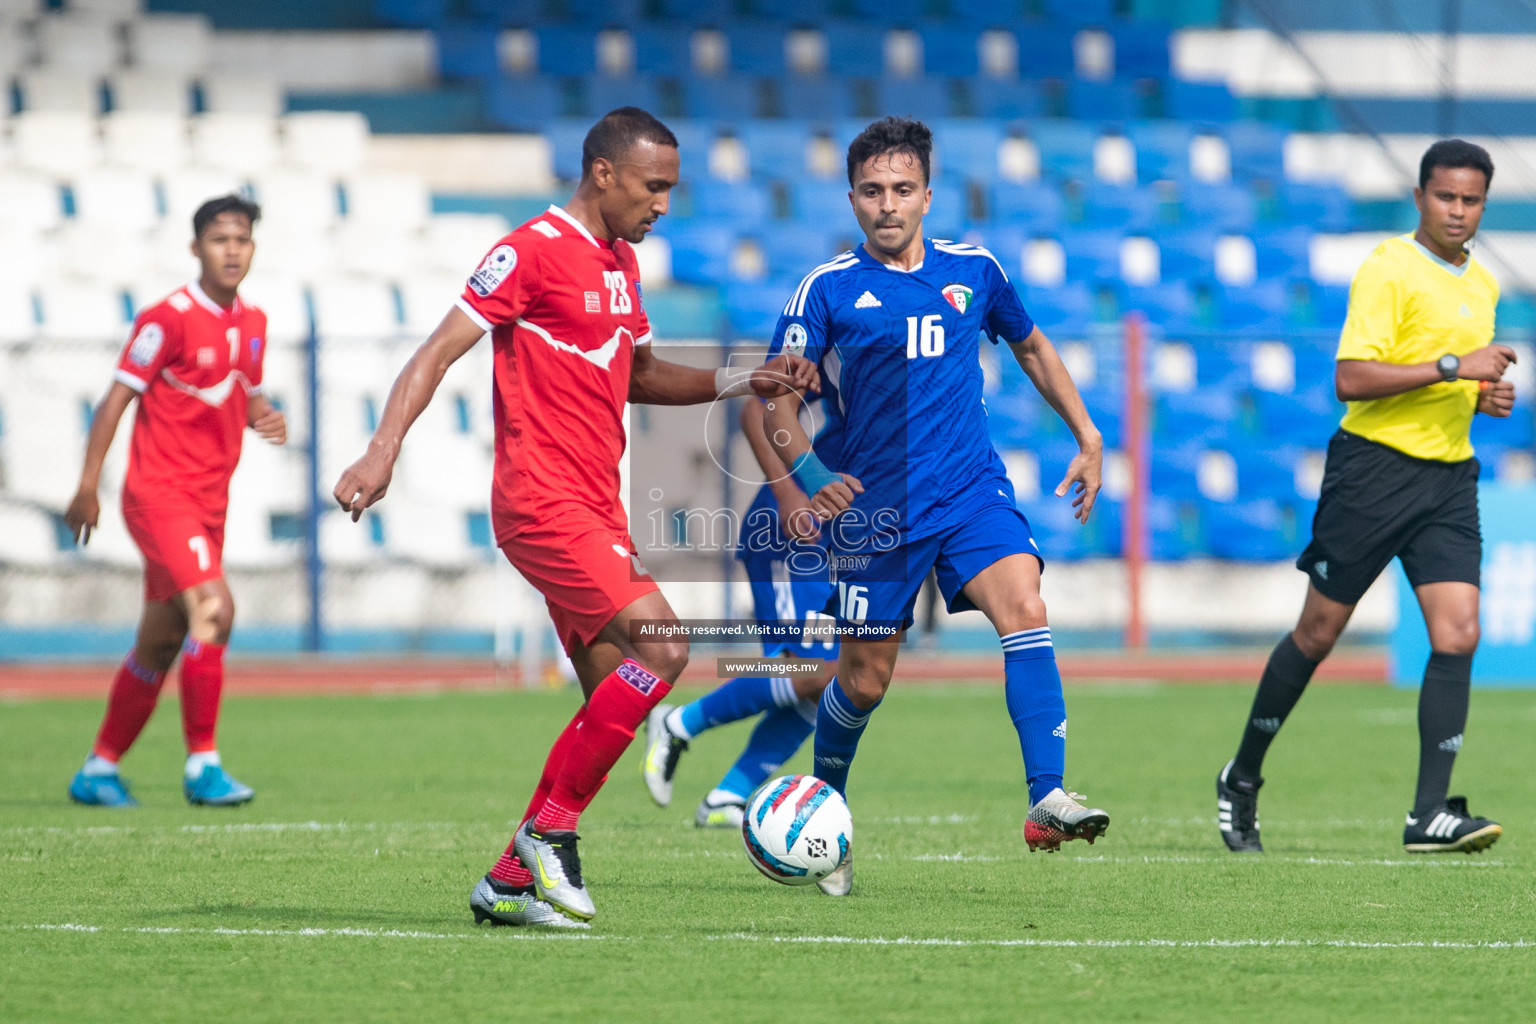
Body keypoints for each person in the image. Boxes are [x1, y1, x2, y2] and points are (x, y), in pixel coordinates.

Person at [331, 107, 816, 928]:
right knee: (665, 646)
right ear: (604, 173)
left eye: (670, 188)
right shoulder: (531, 250)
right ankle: (550, 837)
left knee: (609, 697)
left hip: (598, 506)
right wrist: (383, 450)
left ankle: (508, 880)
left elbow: (641, 373)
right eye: (653, 186)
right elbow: (439, 349)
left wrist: (742, 379)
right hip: (541, 501)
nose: (663, 203)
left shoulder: (620, 263)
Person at [763, 116, 1111, 897]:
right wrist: (812, 475)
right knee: (864, 679)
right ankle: (828, 811)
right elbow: (775, 405)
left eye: (903, 190)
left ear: (929, 195)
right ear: (851, 197)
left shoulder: (975, 270)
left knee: (1024, 599)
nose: (888, 205)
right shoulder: (824, 289)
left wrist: (1087, 433)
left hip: (967, 491)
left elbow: (1030, 346)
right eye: (873, 191)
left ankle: (1045, 797)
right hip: (874, 510)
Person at [1216, 139, 1517, 856]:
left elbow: (1443, 384)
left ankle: (1429, 815)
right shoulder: (1389, 267)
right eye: (1445, 196)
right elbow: (1351, 378)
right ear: (1419, 197)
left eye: (1471, 200)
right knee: (1318, 634)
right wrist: (1455, 366)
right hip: (1372, 474)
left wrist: (1480, 396)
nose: (1457, 210)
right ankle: (1242, 777)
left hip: (1447, 478)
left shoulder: (1483, 285)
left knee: (1458, 634)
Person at [64, 194, 285, 809]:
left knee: (161, 642)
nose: (232, 249)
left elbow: (235, 394)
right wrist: (88, 485)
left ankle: (99, 769)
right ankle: (202, 766)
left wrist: (264, 416)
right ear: (196, 249)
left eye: (242, 238)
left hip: (210, 505)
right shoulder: (166, 319)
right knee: (215, 610)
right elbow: (115, 400)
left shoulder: (255, 323)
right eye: (220, 239)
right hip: (159, 497)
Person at [639, 396, 841, 828]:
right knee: (809, 668)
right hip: (793, 529)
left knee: (839, 676)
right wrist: (788, 495)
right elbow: (758, 407)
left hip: (833, 542)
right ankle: (678, 722)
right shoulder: (840, 347)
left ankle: (727, 795)